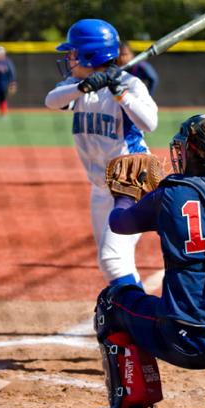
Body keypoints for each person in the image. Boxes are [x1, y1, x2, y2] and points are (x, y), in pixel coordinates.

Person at [93, 114, 205, 408]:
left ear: (188, 152)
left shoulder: (169, 193)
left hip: (183, 340)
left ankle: (127, 407)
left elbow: (119, 224)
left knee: (111, 302)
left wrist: (124, 196)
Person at [45, 19, 158, 287]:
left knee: (112, 259)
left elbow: (149, 123)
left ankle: (138, 320)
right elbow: (51, 101)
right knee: (115, 260)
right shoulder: (78, 85)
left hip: (132, 178)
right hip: (100, 185)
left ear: (89, 54)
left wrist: (121, 94)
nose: (69, 57)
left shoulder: (130, 83)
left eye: (73, 52)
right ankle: (127, 322)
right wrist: (84, 86)